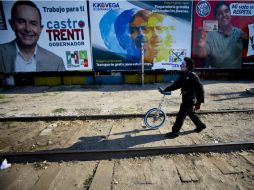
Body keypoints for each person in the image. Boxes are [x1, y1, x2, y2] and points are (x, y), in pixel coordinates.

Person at [0, 0, 65, 73]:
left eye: (33, 23)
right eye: (21, 22)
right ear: (12, 24)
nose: (27, 29)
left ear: (40, 29)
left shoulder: (57, 63)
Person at [159, 57, 206, 138]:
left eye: (183, 64)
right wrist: (166, 89)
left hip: (190, 100)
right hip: (185, 98)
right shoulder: (183, 75)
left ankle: (175, 132)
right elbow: (176, 85)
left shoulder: (193, 76)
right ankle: (200, 125)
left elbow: (200, 89)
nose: (181, 65)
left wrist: (199, 102)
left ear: (187, 66)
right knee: (191, 113)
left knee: (181, 116)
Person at [197, 1, 248, 68]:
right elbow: (202, 54)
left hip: (236, 77)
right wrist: (201, 46)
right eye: (220, 13)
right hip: (217, 76)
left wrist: (249, 39)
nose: (224, 15)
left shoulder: (239, 32)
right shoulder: (210, 34)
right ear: (216, 17)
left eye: (226, 11)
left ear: (230, 14)